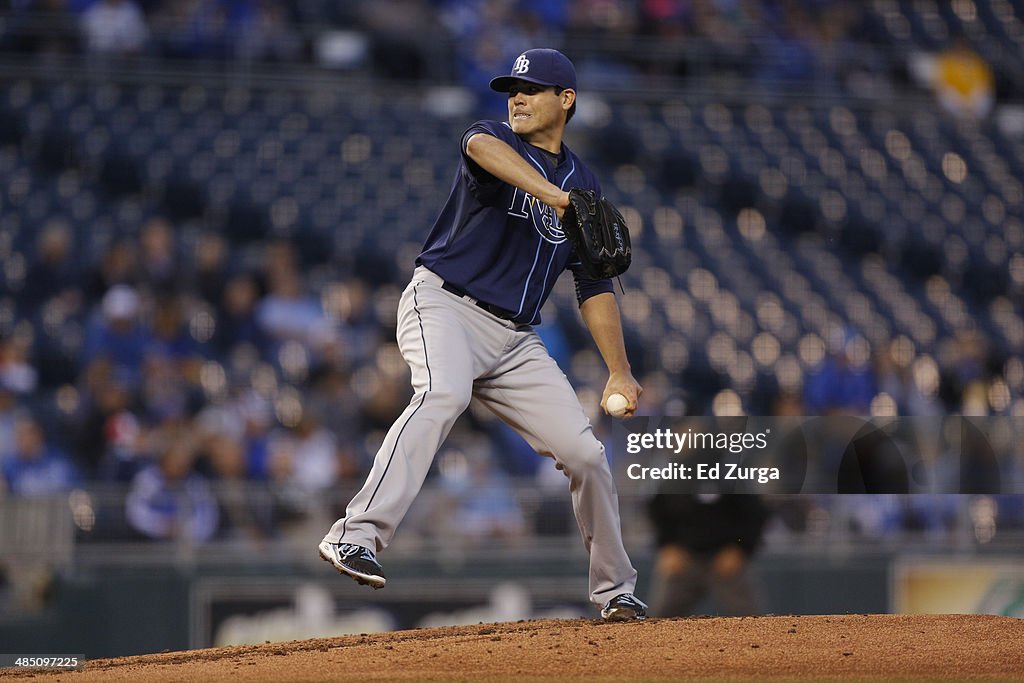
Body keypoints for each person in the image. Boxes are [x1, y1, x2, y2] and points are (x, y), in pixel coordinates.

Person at [318, 48, 646, 621]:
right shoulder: (496, 137)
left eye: (532, 89)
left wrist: (619, 369)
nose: (516, 97)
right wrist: (560, 200)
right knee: (444, 393)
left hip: (516, 341)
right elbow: (479, 149)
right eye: (512, 88)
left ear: (565, 100)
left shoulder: (583, 183)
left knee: (586, 454)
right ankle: (356, 534)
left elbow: (594, 288)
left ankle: (615, 591)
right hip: (444, 303)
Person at [647, 493, 769, 617]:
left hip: (726, 558)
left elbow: (755, 513)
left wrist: (741, 548)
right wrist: (667, 545)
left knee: (750, 619)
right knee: (658, 618)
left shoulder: (732, 476)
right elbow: (658, 509)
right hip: (683, 558)